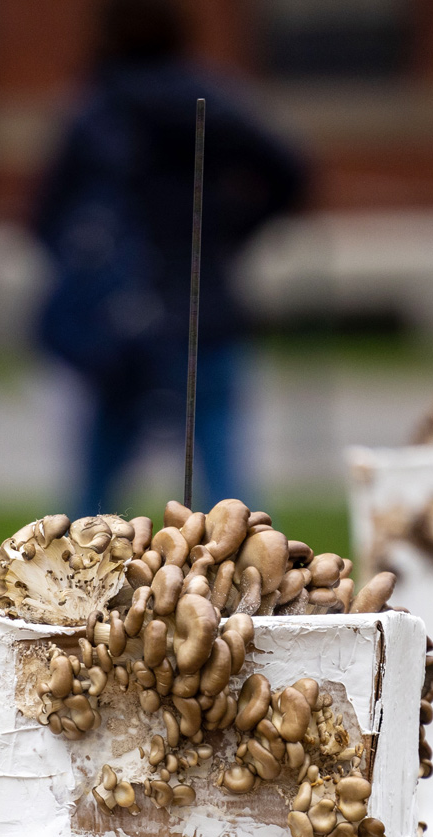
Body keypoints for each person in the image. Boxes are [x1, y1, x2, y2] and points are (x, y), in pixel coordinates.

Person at [31, 0, 309, 514]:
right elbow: (290, 170)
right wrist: (230, 229)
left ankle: (72, 580)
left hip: (118, 317)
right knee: (223, 463)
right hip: (202, 303)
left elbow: (44, 216)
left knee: (101, 467)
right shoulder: (209, 99)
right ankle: (249, 580)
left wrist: (91, 272)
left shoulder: (96, 110)